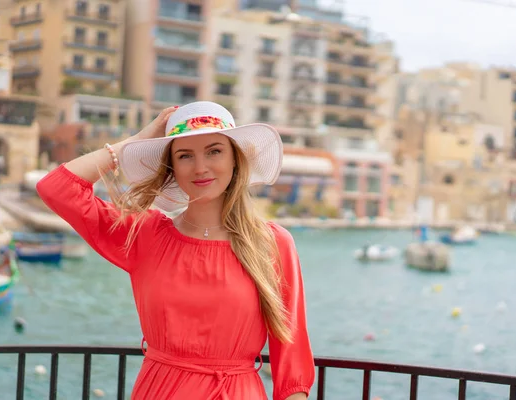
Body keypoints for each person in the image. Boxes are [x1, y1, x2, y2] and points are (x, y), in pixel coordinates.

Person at [36, 101, 315, 400]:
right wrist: (137, 141)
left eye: (214, 151)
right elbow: (57, 188)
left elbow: (292, 361)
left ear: (236, 158)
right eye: (184, 155)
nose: (200, 167)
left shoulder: (273, 244)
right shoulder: (144, 235)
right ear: (172, 168)